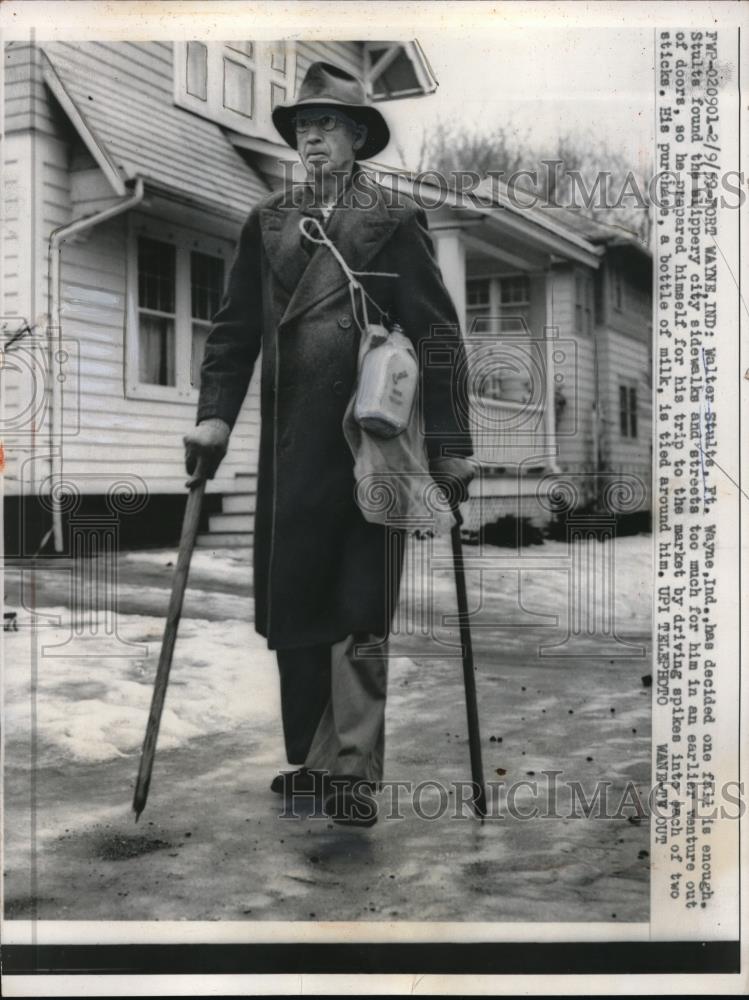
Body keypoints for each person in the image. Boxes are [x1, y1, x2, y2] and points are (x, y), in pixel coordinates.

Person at [184, 61, 474, 826]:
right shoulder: (267, 220)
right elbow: (234, 331)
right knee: (298, 603)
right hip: (290, 453)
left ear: (357, 139)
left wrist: (448, 447)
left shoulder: (393, 219)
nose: (312, 135)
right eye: (302, 125)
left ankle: (353, 770)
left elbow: (440, 340)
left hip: (368, 446)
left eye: (328, 124)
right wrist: (215, 414)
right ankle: (312, 762)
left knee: (358, 606)